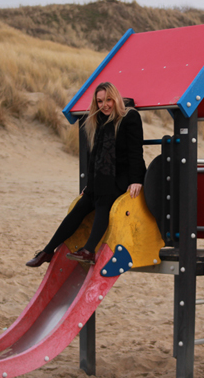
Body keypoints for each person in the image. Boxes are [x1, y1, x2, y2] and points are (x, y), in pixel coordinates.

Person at [26, 82, 145, 267]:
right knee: (81, 206)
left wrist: (137, 180)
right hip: (101, 177)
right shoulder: (98, 120)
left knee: (103, 199)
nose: (104, 105)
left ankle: (89, 250)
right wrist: (89, 185)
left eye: (108, 100)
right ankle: (47, 251)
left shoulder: (129, 117)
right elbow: (94, 156)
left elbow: (135, 151)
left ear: (115, 99)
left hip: (121, 178)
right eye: (99, 101)